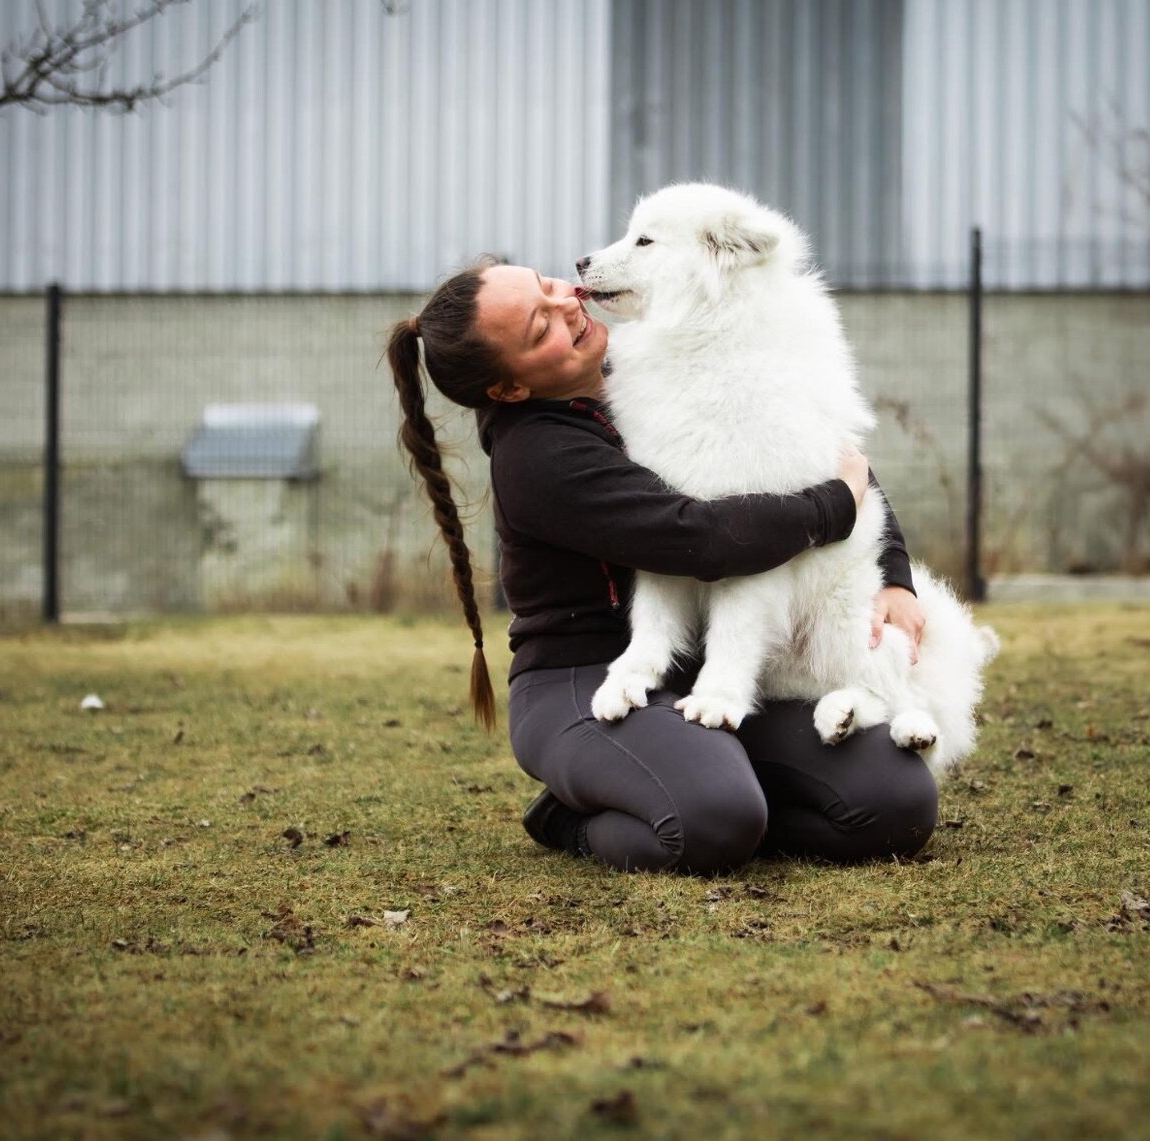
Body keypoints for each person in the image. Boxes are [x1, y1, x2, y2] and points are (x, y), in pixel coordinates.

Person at [384, 256, 938, 874]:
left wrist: (894, 577)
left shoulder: (656, 361)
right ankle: (577, 816)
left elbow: (814, 449)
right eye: (540, 329)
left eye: (548, 287)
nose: (568, 305)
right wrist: (834, 503)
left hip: (704, 669)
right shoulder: (538, 455)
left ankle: (701, 787)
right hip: (584, 681)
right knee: (713, 820)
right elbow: (701, 539)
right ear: (509, 389)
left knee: (896, 805)